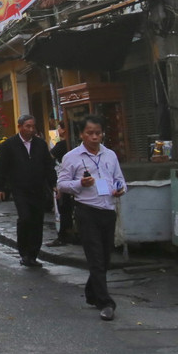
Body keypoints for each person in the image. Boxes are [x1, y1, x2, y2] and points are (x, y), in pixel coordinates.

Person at [57, 114, 127, 321]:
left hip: (108, 210)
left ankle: (91, 292)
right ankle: (106, 303)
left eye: (98, 133)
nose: (95, 137)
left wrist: (120, 189)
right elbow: (61, 184)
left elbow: (120, 179)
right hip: (87, 210)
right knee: (95, 257)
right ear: (81, 134)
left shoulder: (110, 155)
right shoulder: (72, 157)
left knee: (105, 257)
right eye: (90, 133)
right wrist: (80, 183)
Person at [0, 114, 57, 267]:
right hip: (20, 189)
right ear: (20, 127)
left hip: (38, 188)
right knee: (25, 218)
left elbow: (48, 165)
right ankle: (24, 252)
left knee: (37, 221)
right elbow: (2, 168)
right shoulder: (9, 145)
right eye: (28, 126)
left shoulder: (40, 144)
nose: (31, 129)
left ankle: (33, 254)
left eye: (33, 126)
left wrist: (54, 184)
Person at [48, 128, 76, 247]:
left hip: (63, 179)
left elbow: (49, 157)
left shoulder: (62, 145)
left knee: (64, 209)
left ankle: (64, 235)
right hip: (70, 180)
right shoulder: (72, 145)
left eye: (60, 127)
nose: (58, 129)